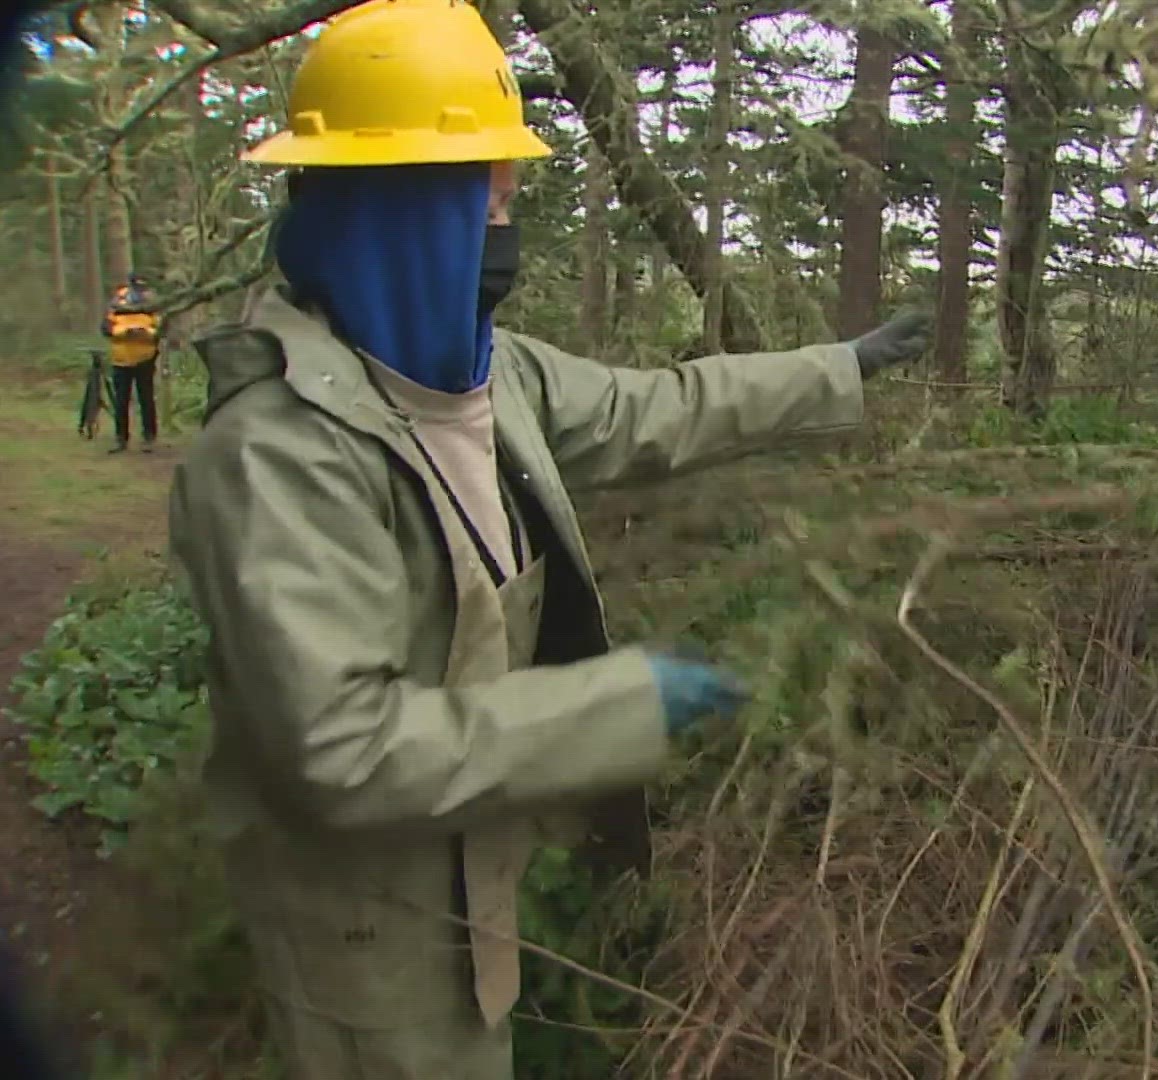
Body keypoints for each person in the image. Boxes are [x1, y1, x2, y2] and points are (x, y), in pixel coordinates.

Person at [164, 2, 930, 1077]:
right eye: (492, 189)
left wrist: (837, 369)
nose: (506, 218)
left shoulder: (487, 373)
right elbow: (343, 750)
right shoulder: (279, 458)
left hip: (468, 888)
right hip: (365, 944)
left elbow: (655, 410)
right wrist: (622, 707)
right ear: (412, 203)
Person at [100, 273, 162, 453]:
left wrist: (146, 333)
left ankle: (149, 438)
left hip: (145, 358)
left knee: (147, 399)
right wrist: (122, 333)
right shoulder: (117, 301)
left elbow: (161, 328)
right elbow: (106, 328)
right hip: (121, 359)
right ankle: (121, 439)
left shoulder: (153, 303)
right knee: (121, 401)